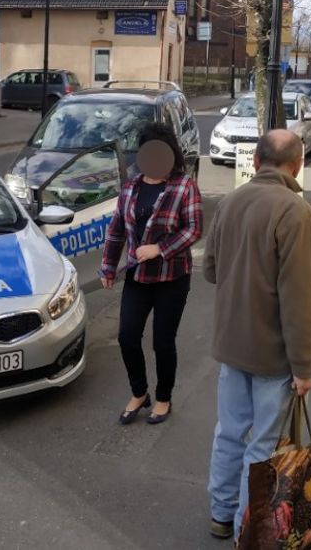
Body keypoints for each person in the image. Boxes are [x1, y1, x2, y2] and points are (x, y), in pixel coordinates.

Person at [203, 129, 311, 540]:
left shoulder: (230, 202)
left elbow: (211, 270)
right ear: (298, 165)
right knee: (264, 444)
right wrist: (303, 367)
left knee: (229, 432)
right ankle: (246, 530)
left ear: (255, 161)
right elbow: (298, 300)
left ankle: (221, 514)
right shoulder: (296, 213)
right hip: (272, 353)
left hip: (231, 345)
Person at [100, 123, 202, 427]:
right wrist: (108, 265)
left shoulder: (184, 186)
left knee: (162, 341)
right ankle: (139, 392)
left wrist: (160, 248)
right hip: (138, 277)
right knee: (127, 336)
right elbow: (117, 229)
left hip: (173, 277)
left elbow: (193, 229)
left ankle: (162, 398)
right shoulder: (131, 187)